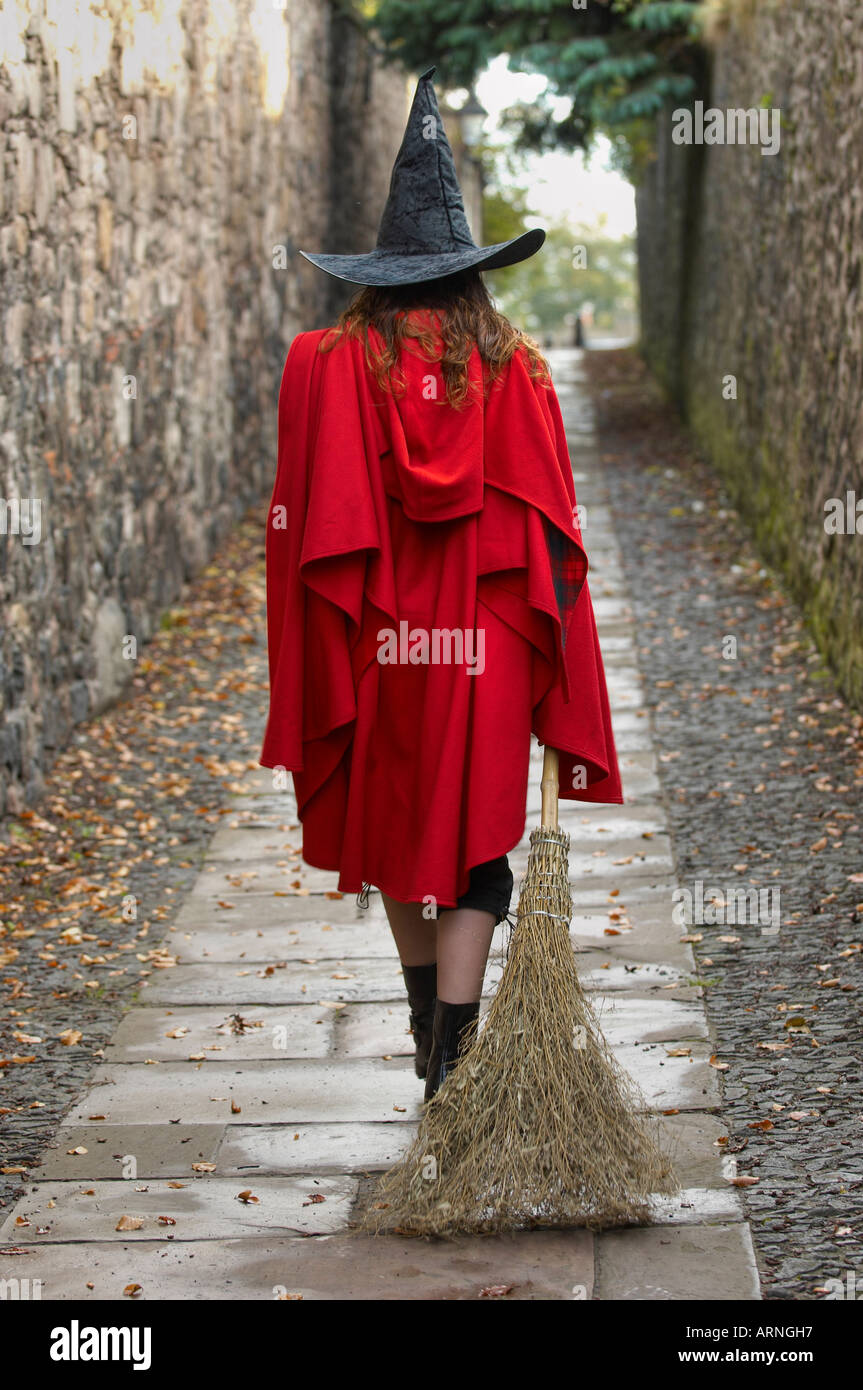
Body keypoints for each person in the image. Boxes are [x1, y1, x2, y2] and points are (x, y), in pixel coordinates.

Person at [259, 69, 622, 1101]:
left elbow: (298, 535)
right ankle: (450, 1055)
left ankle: (429, 1026)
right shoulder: (522, 370)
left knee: (394, 830)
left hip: (378, 643)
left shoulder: (327, 364)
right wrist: (560, 676)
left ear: (379, 270)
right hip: (487, 646)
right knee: (472, 840)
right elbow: (554, 539)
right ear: (472, 271)